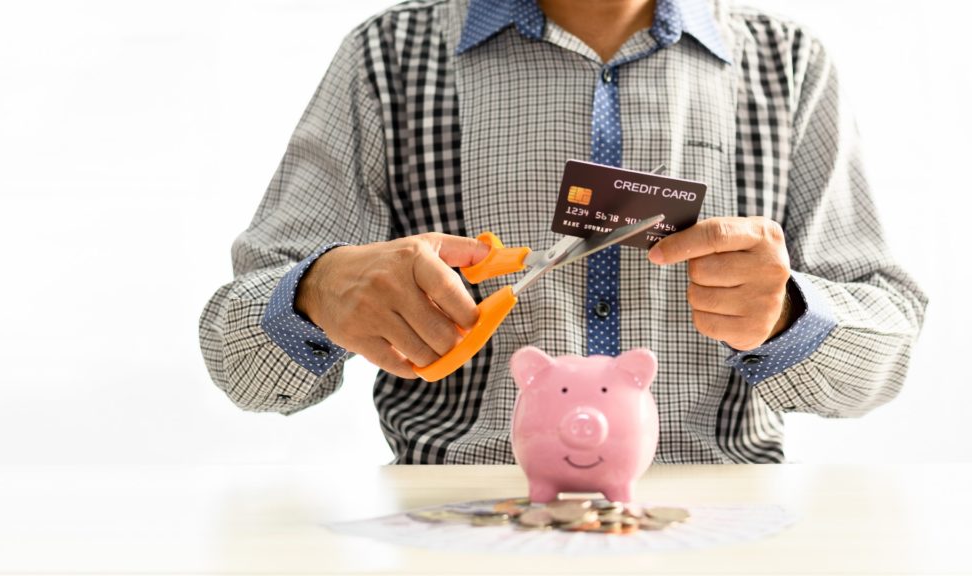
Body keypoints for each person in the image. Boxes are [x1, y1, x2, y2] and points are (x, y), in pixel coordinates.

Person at [199, 0, 927, 464]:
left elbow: (884, 353)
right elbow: (241, 364)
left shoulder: (788, 66)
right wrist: (317, 291)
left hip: (716, 518)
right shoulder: (388, 59)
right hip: (457, 525)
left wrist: (786, 314)